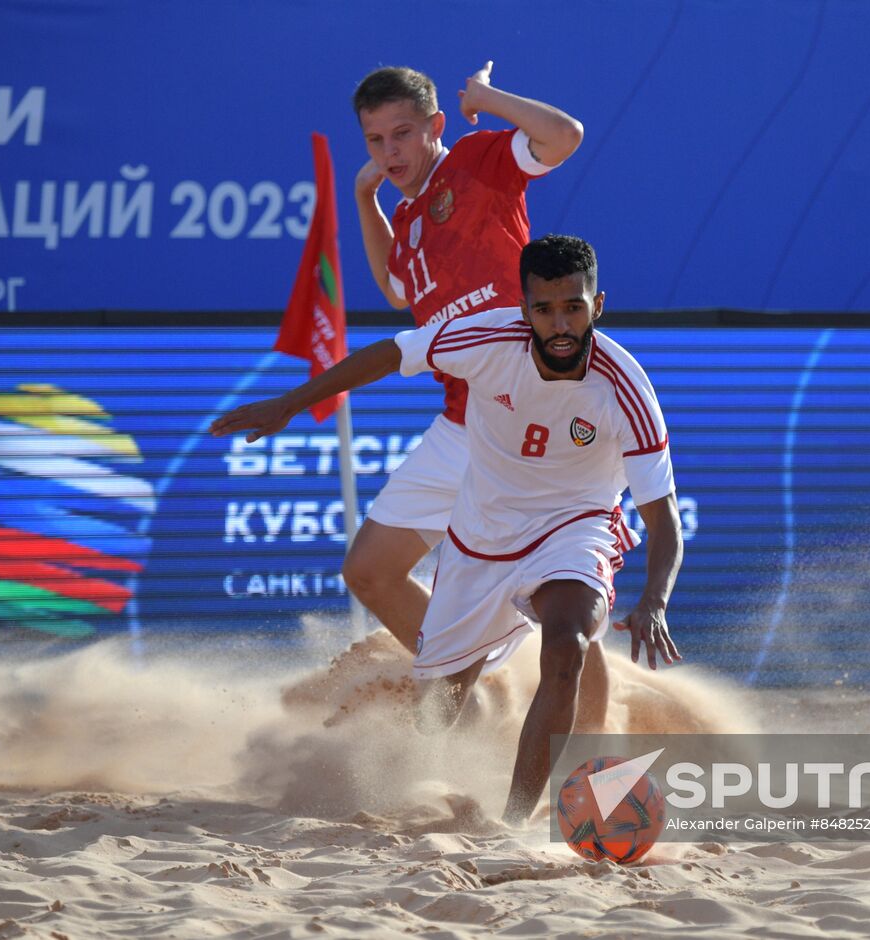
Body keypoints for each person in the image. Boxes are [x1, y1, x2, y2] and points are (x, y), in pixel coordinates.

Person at [211, 235, 683, 824]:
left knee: (568, 645)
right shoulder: (486, 338)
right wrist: (291, 401)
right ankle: (402, 783)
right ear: (523, 309)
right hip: (481, 535)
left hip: (575, 526)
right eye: (544, 309)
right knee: (441, 705)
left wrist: (655, 600)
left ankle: (514, 824)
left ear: (598, 304)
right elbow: (391, 352)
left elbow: (663, 519)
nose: (560, 323)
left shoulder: (626, 388)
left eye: (574, 307)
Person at [346, 63, 583, 663]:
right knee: (369, 571)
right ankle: (465, 676)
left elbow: (565, 135)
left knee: (551, 595)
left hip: (526, 415)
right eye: (375, 139)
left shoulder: (478, 162)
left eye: (402, 133)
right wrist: (364, 198)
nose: (389, 150)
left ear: (436, 126)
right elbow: (397, 289)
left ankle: (588, 732)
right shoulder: (406, 215)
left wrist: (488, 97)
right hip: (460, 422)